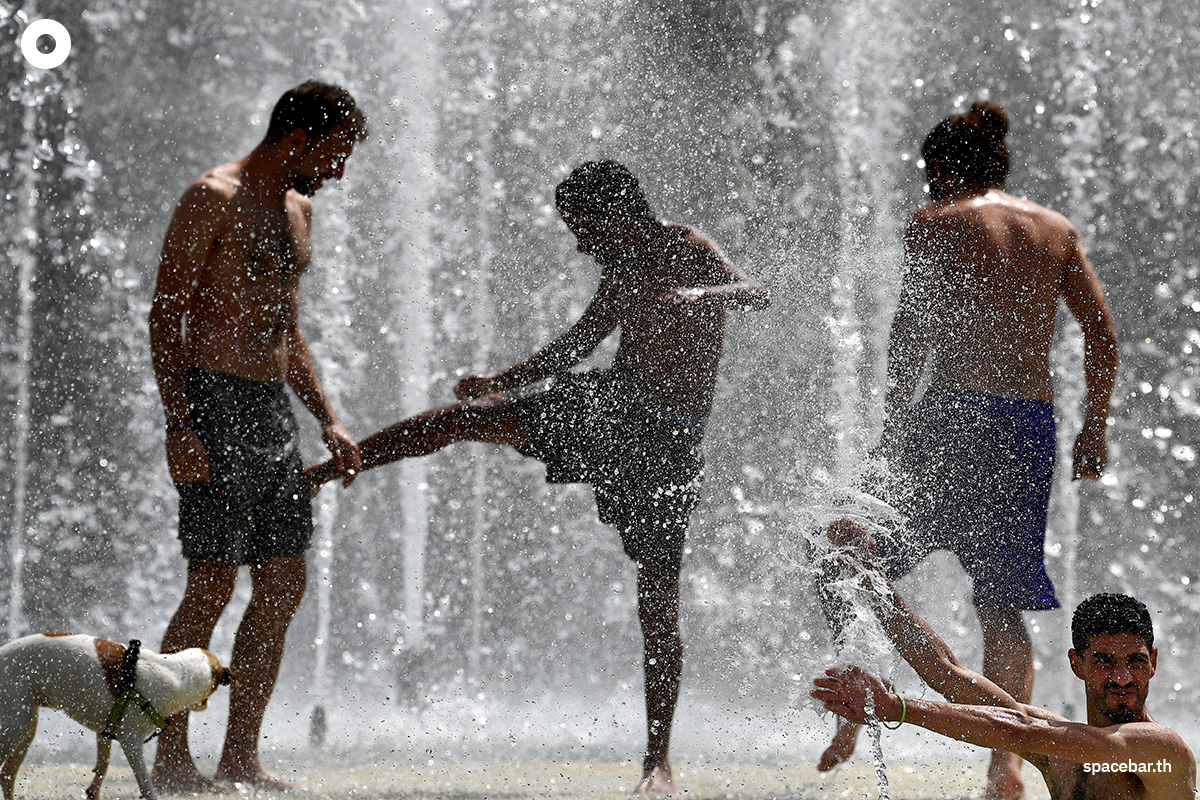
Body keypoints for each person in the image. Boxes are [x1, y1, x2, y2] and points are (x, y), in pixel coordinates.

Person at [308, 160, 769, 793]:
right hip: (608, 409)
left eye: (584, 228)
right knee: (460, 420)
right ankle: (333, 467)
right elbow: (577, 343)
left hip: (667, 442)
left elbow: (755, 293)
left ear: (616, 213)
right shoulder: (623, 267)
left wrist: (695, 294)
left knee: (657, 602)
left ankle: (656, 761)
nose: (579, 243)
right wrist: (503, 381)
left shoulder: (686, 246)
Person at [818, 100, 1119, 799]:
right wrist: (1093, 428)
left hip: (952, 419)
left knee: (844, 555)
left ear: (945, 170)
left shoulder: (936, 223)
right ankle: (1005, 766)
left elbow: (911, 333)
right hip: (1028, 428)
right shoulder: (1055, 229)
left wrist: (889, 437)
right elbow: (1102, 339)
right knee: (1002, 602)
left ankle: (864, 695)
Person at [148, 80, 367, 792]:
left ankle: (241, 756)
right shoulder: (210, 197)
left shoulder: (300, 211)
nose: (339, 171)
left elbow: (288, 328)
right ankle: (174, 758)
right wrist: (180, 424)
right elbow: (166, 315)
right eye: (334, 154)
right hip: (211, 402)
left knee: (282, 581)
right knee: (211, 583)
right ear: (296, 139)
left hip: (272, 411)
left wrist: (326, 416)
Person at [812, 523, 1196, 800]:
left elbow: (1022, 732)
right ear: (1077, 664)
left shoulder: (1160, 749)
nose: (1122, 676)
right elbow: (948, 673)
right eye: (1104, 661)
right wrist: (870, 577)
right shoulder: (1061, 753)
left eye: (1135, 660)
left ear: (1153, 662)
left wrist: (897, 708)